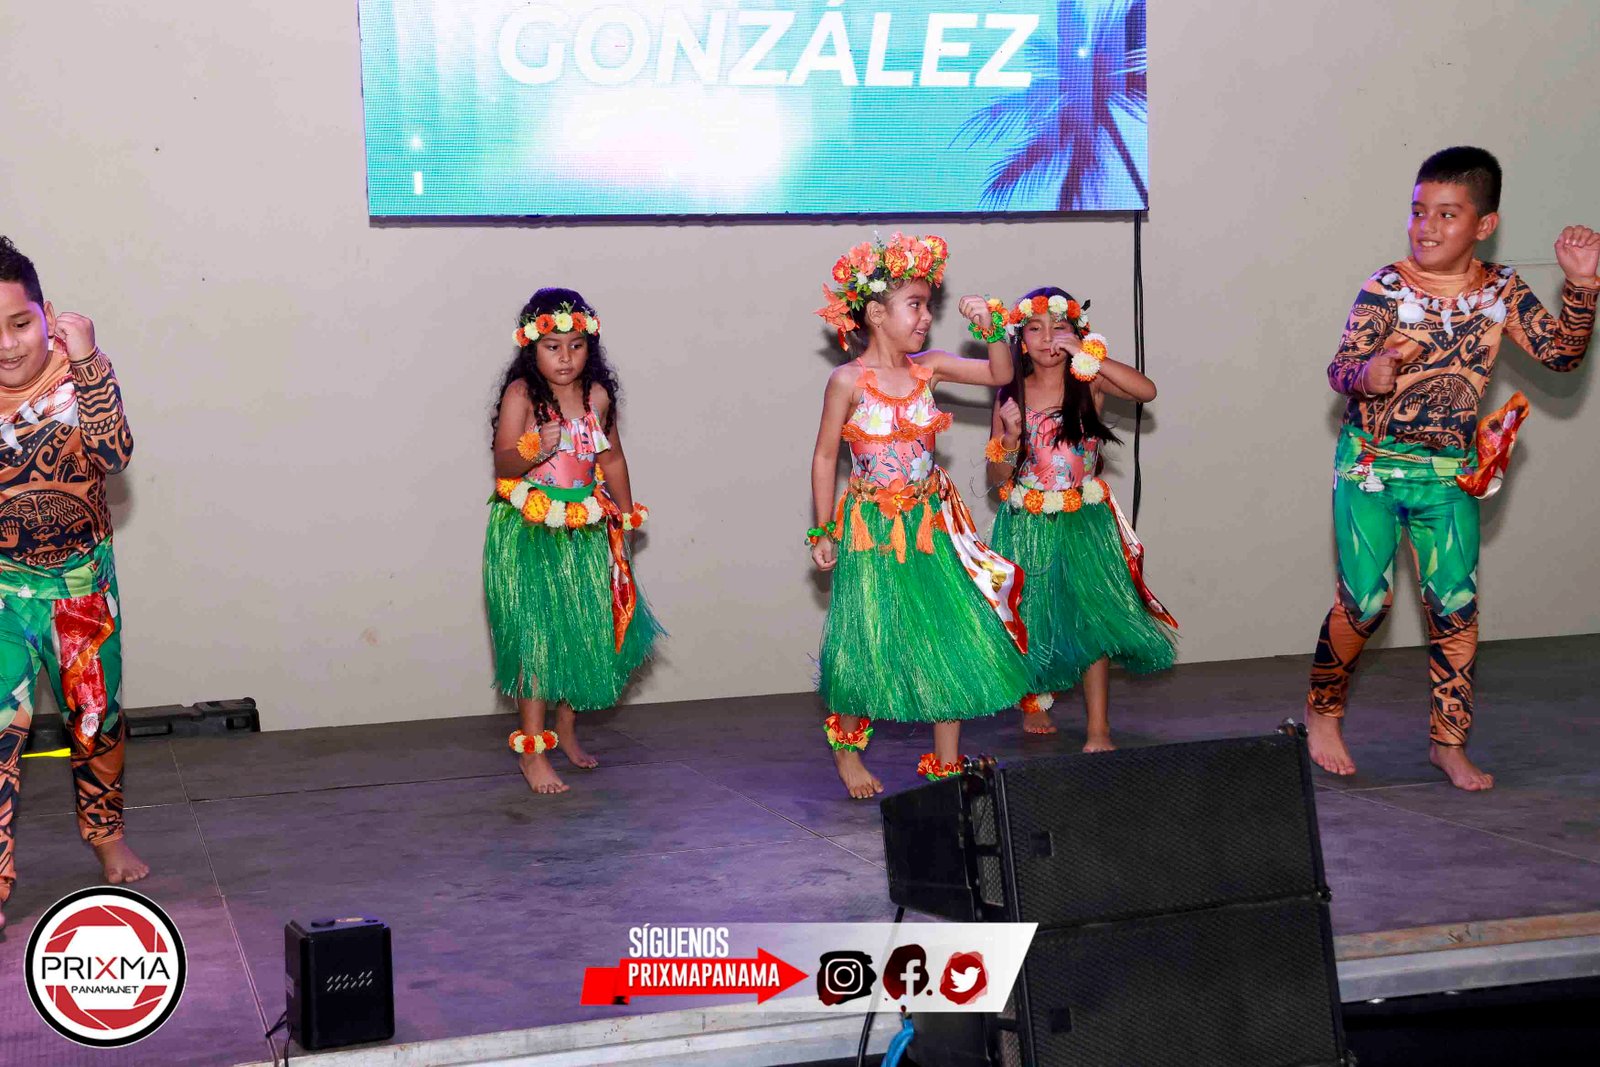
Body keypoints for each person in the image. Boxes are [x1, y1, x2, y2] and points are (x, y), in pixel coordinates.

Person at [1304, 147, 1600, 790]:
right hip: (1370, 469)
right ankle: (1323, 710)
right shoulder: (1386, 287)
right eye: (1418, 212)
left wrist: (1582, 285)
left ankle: (1449, 741)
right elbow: (1340, 367)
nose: (1427, 227)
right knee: (1366, 604)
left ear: (1484, 225)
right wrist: (1368, 373)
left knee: (1455, 608)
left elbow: (1560, 356)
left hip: (1449, 475)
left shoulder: (1501, 290)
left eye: (1446, 214)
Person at [809, 234, 1030, 799]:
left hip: (931, 524)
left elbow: (998, 374)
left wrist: (991, 329)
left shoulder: (929, 369)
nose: (927, 316)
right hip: (872, 530)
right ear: (876, 314)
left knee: (948, 631)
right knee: (869, 637)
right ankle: (847, 751)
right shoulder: (848, 381)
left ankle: (946, 760)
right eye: (915, 305)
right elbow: (826, 456)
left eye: (929, 305)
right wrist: (823, 528)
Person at [0, 236, 145, 930]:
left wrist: (88, 361)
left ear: (47, 315)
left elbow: (115, 453)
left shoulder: (77, 375)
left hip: (81, 591)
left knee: (95, 722)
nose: (7, 345)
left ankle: (106, 834)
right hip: (2, 594)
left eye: (19, 323)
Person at [485, 288, 661, 795]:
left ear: (591, 346)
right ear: (532, 347)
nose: (565, 357)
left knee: (581, 632)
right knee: (537, 638)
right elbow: (503, 463)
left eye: (576, 346)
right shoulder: (522, 394)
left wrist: (625, 512)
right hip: (530, 530)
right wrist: (530, 449)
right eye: (553, 347)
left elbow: (612, 459)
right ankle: (532, 750)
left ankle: (565, 729)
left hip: (585, 529)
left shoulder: (597, 397)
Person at [985, 288, 1175, 749]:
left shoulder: (1088, 382)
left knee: (1092, 621)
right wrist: (1010, 437)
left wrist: (1088, 355)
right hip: (1027, 520)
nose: (1048, 337)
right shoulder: (1011, 393)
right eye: (1035, 329)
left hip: (1084, 518)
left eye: (1060, 328)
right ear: (1020, 340)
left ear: (1077, 333)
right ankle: (1033, 700)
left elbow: (1146, 391)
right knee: (1031, 614)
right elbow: (996, 476)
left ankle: (1098, 728)